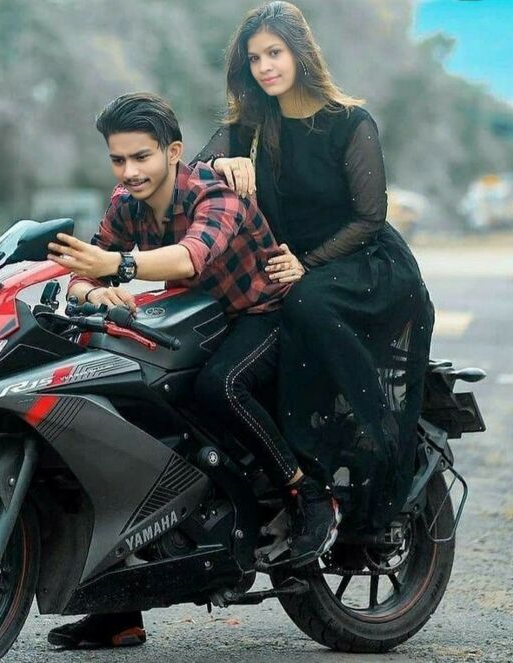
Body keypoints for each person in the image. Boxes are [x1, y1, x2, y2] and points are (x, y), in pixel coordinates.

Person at [44, 92, 339, 649]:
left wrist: (117, 266)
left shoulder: (214, 192)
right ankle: (119, 612)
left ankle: (308, 493)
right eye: (118, 159)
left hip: (264, 314)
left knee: (219, 386)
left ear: (173, 152)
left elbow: (190, 256)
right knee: (126, 413)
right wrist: (93, 291)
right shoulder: (126, 203)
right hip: (199, 318)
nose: (129, 172)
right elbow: (86, 272)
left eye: (141, 157)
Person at [193, 0, 434, 533]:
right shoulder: (252, 125)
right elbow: (189, 178)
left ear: (300, 52)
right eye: (254, 58)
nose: (265, 67)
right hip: (287, 269)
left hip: (360, 263)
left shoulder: (349, 123)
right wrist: (219, 163)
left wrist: (308, 264)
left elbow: (370, 217)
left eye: (274, 53)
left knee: (305, 301)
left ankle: (368, 442)